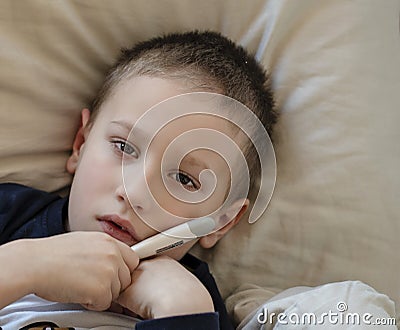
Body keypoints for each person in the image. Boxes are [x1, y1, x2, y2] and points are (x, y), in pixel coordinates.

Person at [0, 31, 277, 329]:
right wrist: (23, 266)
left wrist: (182, 307)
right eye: (123, 147)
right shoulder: (11, 215)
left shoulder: (195, 306)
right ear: (81, 143)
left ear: (221, 221)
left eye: (184, 179)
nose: (135, 194)